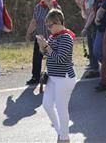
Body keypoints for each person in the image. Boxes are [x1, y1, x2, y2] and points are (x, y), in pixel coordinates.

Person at [36, 9, 76, 143]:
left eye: (50, 25)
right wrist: (42, 47)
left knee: (61, 108)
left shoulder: (66, 37)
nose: (48, 28)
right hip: (53, 77)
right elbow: (49, 56)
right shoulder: (54, 36)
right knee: (47, 104)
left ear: (58, 22)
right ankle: (61, 133)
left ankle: (63, 138)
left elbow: (60, 58)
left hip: (64, 78)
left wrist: (47, 47)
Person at [25, 0, 61, 85]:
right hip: (40, 37)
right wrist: (28, 33)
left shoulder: (56, 7)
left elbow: (58, 19)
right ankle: (35, 77)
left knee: (51, 58)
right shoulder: (38, 7)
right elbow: (34, 21)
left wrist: (51, 7)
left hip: (53, 38)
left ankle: (51, 76)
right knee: (36, 57)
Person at [76, 0, 101, 77]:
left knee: (96, 45)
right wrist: (80, 4)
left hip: (96, 21)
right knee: (90, 43)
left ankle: (99, 66)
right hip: (87, 19)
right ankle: (93, 66)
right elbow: (84, 7)